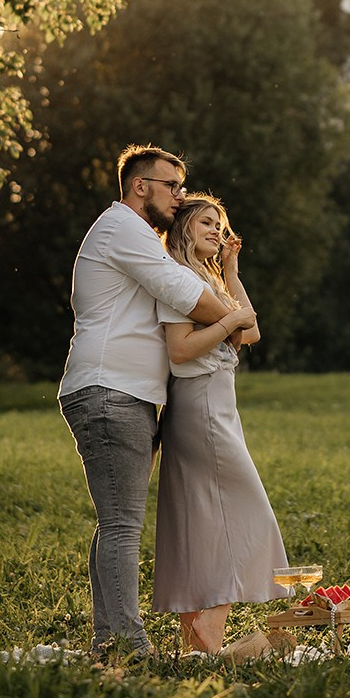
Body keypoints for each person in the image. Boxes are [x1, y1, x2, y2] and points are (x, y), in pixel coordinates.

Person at [58, 145, 254, 660]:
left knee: (114, 521)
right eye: (172, 186)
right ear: (139, 186)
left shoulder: (138, 234)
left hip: (129, 394)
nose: (180, 196)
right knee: (122, 523)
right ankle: (126, 643)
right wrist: (234, 321)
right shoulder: (122, 227)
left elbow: (184, 286)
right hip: (109, 391)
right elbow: (183, 292)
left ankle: (111, 637)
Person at [152, 194, 287, 659]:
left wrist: (230, 273)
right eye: (206, 222)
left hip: (216, 409)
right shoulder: (178, 276)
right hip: (202, 409)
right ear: (184, 228)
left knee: (204, 522)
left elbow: (250, 333)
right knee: (245, 512)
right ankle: (207, 635)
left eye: (220, 223)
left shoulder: (206, 279)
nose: (216, 229)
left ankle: (199, 641)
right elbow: (180, 350)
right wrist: (231, 317)